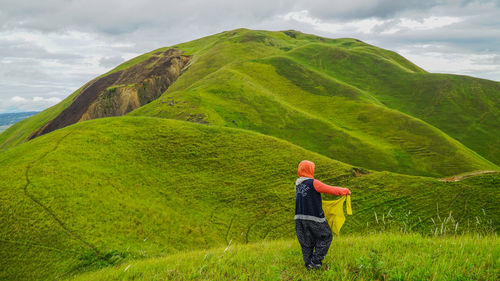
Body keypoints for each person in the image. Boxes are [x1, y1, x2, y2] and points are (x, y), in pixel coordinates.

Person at [294, 160, 351, 269]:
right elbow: (331, 189)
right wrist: (345, 191)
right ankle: (315, 262)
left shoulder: (297, 183)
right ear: (310, 170)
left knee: (306, 242)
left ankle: (308, 264)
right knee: (326, 236)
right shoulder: (313, 183)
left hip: (299, 219)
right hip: (314, 218)